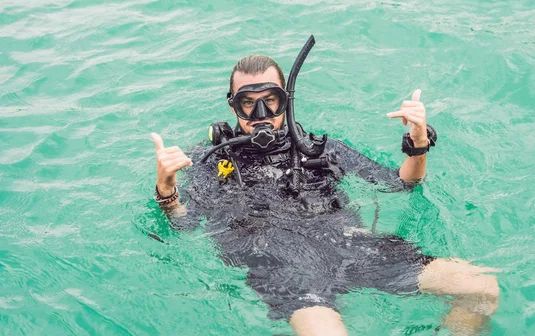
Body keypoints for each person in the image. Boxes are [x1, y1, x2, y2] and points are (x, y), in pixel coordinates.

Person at [150, 42, 499, 335]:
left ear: (285, 99)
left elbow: (402, 183)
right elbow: (185, 224)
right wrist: (167, 188)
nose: (260, 112)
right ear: (233, 104)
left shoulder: (320, 148)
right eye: (247, 102)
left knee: (479, 287)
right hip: (283, 267)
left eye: (269, 99)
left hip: (350, 246)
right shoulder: (211, 160)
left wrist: (418, 143)